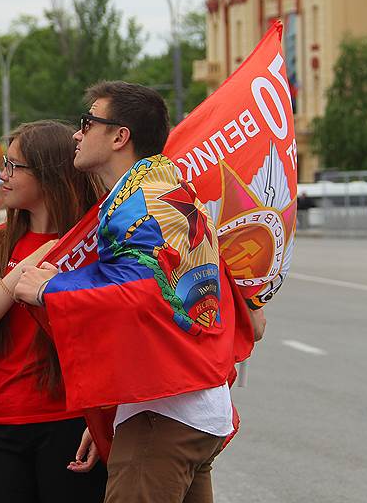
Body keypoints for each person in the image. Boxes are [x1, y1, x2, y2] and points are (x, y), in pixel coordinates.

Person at [14, 81, 240, 503]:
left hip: (165, 411)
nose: (77, 135)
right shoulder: (166, 187)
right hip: (188, 401)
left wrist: (50, 286)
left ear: (120, 136)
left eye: (88, 122)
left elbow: (142, 290)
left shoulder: (142, 204)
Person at [0, 121, 107, 503]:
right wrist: (23, 273)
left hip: (72, 423)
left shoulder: (95, 244)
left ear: (50, 173)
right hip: (3, 422)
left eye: (13, 166)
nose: (2, 176)